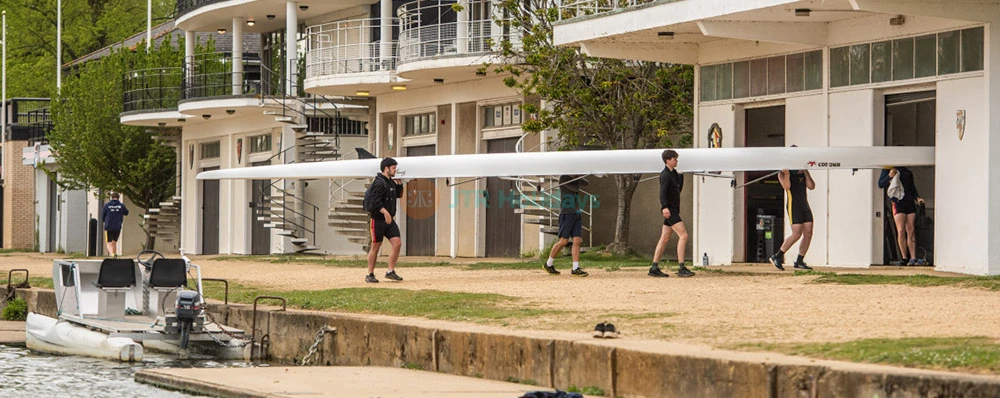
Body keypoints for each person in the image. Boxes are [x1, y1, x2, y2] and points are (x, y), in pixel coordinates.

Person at [650, 149, 694, 278]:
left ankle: (654, 267)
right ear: (667, 160)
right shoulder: (665, 175)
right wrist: (664, 207)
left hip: (674, 208)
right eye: (674, 159)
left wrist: (681, 177)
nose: (676, 161)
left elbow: (678, 189)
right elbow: (662, 192)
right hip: (670, 210)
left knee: (665, 238)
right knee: (684, 235)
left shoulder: (674, 174)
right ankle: (681, 267)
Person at [366, 158, 405, 283]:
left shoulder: (390, 182)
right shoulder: (378, 183)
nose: (395, 170)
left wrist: (399, 184)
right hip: (378, 219)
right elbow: (374, 201)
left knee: (397, 243)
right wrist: (385, 212)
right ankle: (370, 274)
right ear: (386, 168)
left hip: (389, 220)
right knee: (375, 247)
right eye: (393, 168)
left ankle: (390, 271)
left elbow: (398, 195)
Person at [543, 175, 590, 277]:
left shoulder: (575, 178)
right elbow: (574, 187)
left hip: (576, 213)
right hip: (567, 213)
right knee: (563, 241)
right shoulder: (564, 178)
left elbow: (586, 183)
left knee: (577, 240)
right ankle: (548, 264)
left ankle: (575, 268)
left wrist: (579, 175)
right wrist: (577, 177)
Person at [769, 168, 815, 271]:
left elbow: (811, 186)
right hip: (793, 205)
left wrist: (805, 172)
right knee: (796, 233)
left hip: (804, 204)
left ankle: (799, 260)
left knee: (808, 232)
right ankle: (777, 255)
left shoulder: (802, 172)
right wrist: (787, 174)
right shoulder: (782, 173)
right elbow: (786, 186)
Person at [878, 166, 925, 265]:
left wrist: (917, 198)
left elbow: (912, 187)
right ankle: (904, 257)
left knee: (911, 229)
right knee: (901, 230)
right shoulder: (887, 169)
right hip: (898, 202)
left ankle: (913, 257)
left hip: (909, 202)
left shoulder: (907, 171)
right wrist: (889, 176)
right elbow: (881, 184)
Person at [100, 192, 129, 258]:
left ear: (111, 197)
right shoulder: (121, 205)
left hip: (108, 226)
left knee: (108, 242)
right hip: (117, 226)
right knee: (114, 241)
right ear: (118, 198)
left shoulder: (106, 205)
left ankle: (112, 254)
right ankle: (114, 254)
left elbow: (102, 216)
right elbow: (126, 212)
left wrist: (106, 221)